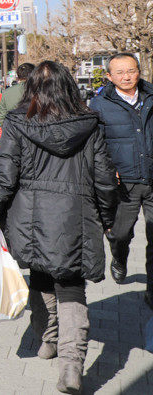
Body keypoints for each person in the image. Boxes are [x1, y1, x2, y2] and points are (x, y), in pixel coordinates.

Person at [0, 61, 117, 394]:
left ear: (32, 91)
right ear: (69, 86)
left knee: (40, 275)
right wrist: (109, 219)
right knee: (71, 287)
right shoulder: (90, 123)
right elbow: (104, 179)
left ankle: (47, 338)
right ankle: (71, 366)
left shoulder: (17, 123)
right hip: (77, 215)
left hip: (29, 216)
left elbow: (3, 173)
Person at [89, 52, 153, 300]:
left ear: (139, 71)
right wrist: (106, 170)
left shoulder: (150, 96)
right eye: (120, 72)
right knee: (120, 233)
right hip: (122, 181)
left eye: (131, 70)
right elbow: (95, 143)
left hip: (151, 176)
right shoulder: (99, 104)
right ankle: (119, 255)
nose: (127, 76)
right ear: (109, 76)